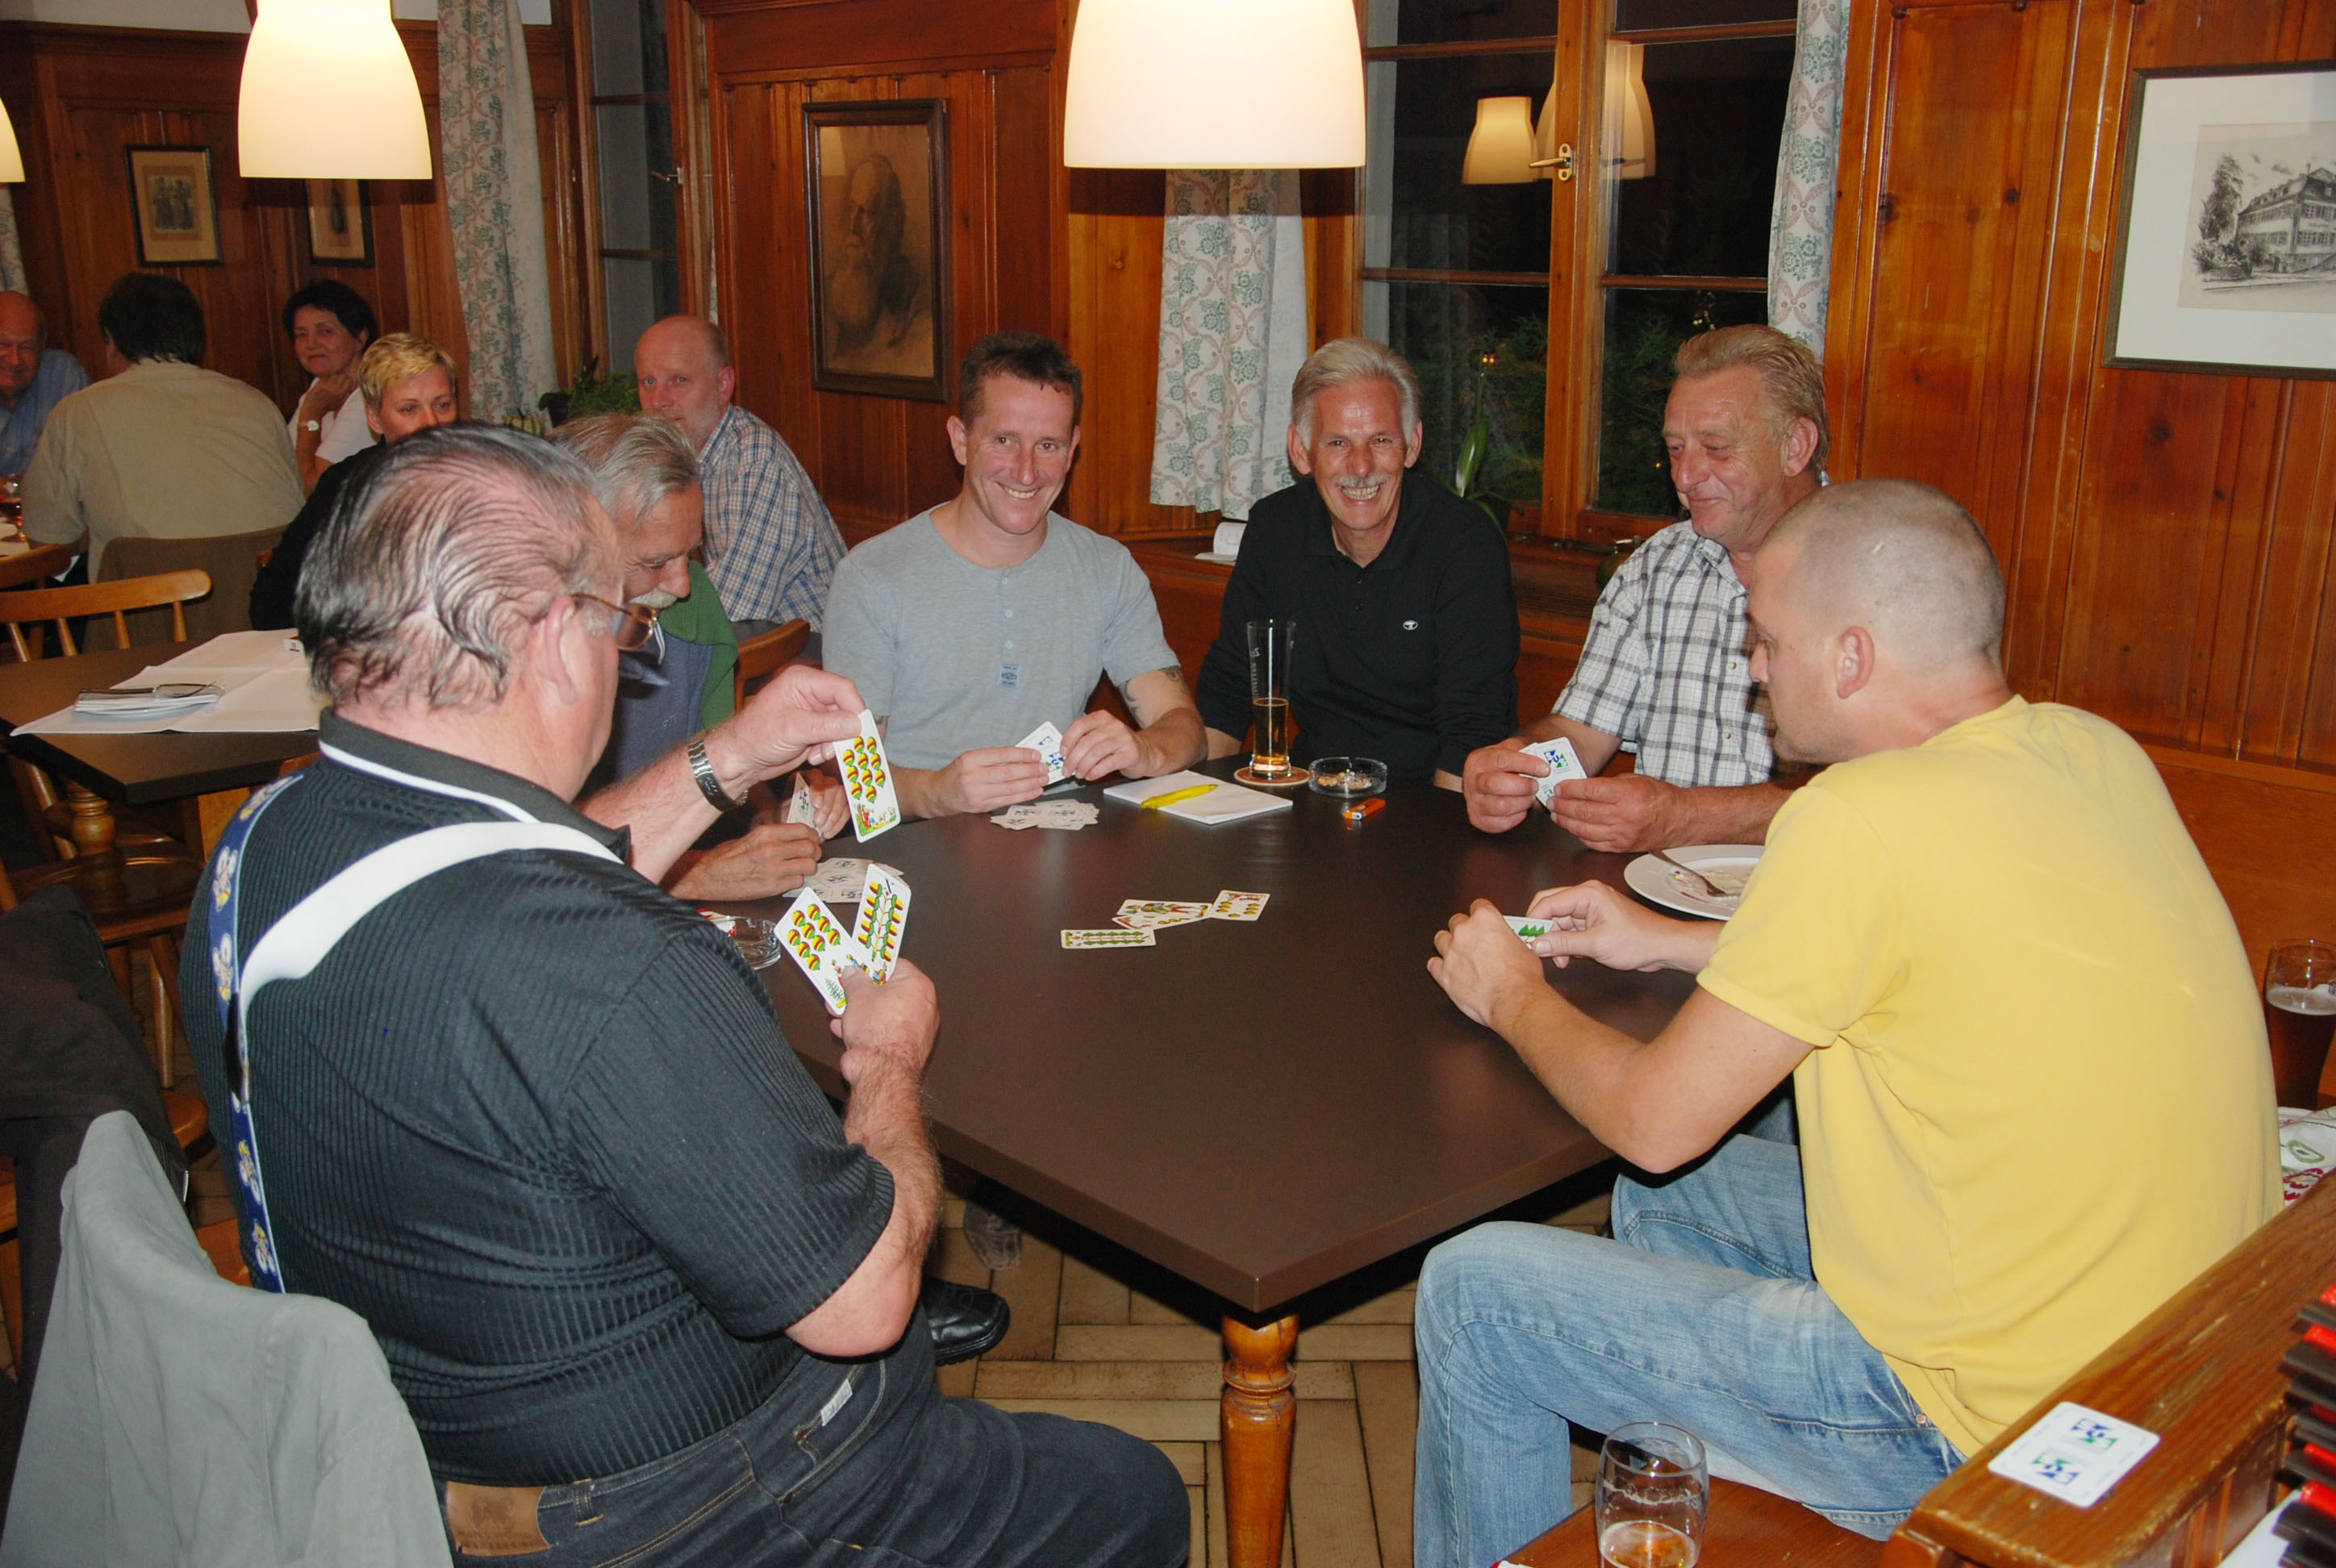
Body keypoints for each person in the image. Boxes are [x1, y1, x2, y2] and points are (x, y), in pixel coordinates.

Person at [180, 424, 1188, 1567]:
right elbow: (862, 1305)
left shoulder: (263, 840)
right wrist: (888, 1064)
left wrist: (731, 756)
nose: (632, 655)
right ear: (553, 638)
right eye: (625, 624)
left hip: (402, 1448)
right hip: (677, 1506)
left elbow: (525, 860)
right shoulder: (621, 967)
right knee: (1134, 1495)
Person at [1412, 478, 2277, 1567]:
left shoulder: (1853, 818)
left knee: (1476, 1291)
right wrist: (1662, 940)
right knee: (1671, 1203)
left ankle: (1821, 1485)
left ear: (1852, 657)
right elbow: (1927, 953)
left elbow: (1652, 1122)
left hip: (1995, 1436)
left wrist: (1511, 993)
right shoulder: (2088, 749)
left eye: (1769, 640)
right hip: (2179, 1374)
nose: (1753, 666)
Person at [1462, 323, 1826, 851]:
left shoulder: (1879, 571)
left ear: (1795, 446)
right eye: (1675, 449)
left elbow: (1882, 793)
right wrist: (1513, 768)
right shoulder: (1656, 566)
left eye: (1716, 448)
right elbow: (1580, 732)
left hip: (1808, 889)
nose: (1685, 476)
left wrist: (1688, 818)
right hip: (1653, 891)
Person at [824, 331, 1205, 820]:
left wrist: (1143, 750)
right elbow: (852, 782)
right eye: (1004, 441)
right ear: (961, 441)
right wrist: (937, 793)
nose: (1027, 472)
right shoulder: (871, 577)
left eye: (1048, 445)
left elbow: (1185, 728)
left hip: (1063, 841)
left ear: (1073, 449)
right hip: (919, 842)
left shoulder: (1107, 568)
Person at [1195, 338, 1517, 786]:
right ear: (1301, 451)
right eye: (1338, 442)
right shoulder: (1275, 529)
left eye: (1380, 440)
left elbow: (1473, 733)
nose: (1361, 466)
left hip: (1429, 800)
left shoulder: (1464, 543)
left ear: (1412, 444)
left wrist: (1435, 830)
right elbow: (1230, 686)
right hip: (1309, 792)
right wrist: (1194, 802)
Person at [22, 273, 302, 576]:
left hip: (149, 601)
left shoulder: (79, 412)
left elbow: (48, 547)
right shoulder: (257, 403)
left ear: (111, 340)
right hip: (270, 597)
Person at [634, 315, 846, 632]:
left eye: (679, 380)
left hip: (810, 653)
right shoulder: (661, 457)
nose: (659, 401)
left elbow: (733, 606)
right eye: (648, 382)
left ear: (723, 385)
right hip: (746, 644)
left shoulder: (756, 461)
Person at [249, 332, 459, 630]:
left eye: (442, 405)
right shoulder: (345, 485)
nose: (431, 423)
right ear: (375, 419)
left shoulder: (492, 478)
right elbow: (271, 602)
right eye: (409, 409)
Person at [824, 153, 932, 380]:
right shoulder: (829, 290)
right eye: (852, 208)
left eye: (866, 213)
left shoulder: (917, 302)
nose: (853, 225)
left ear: (892, 223)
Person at [283, 279, 380, 493]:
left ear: (360, 338)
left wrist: (311, 415)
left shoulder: (369, 397)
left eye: (325, 331)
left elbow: (312, 489)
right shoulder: (322, 385)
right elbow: (282, 462)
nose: (311, 344)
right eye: (301, 335)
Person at [0, 291, 89, 476]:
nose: (15, 360)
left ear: (42, 345)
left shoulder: (63, 376)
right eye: (4, 344)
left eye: (27, 347)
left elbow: (84, 461)